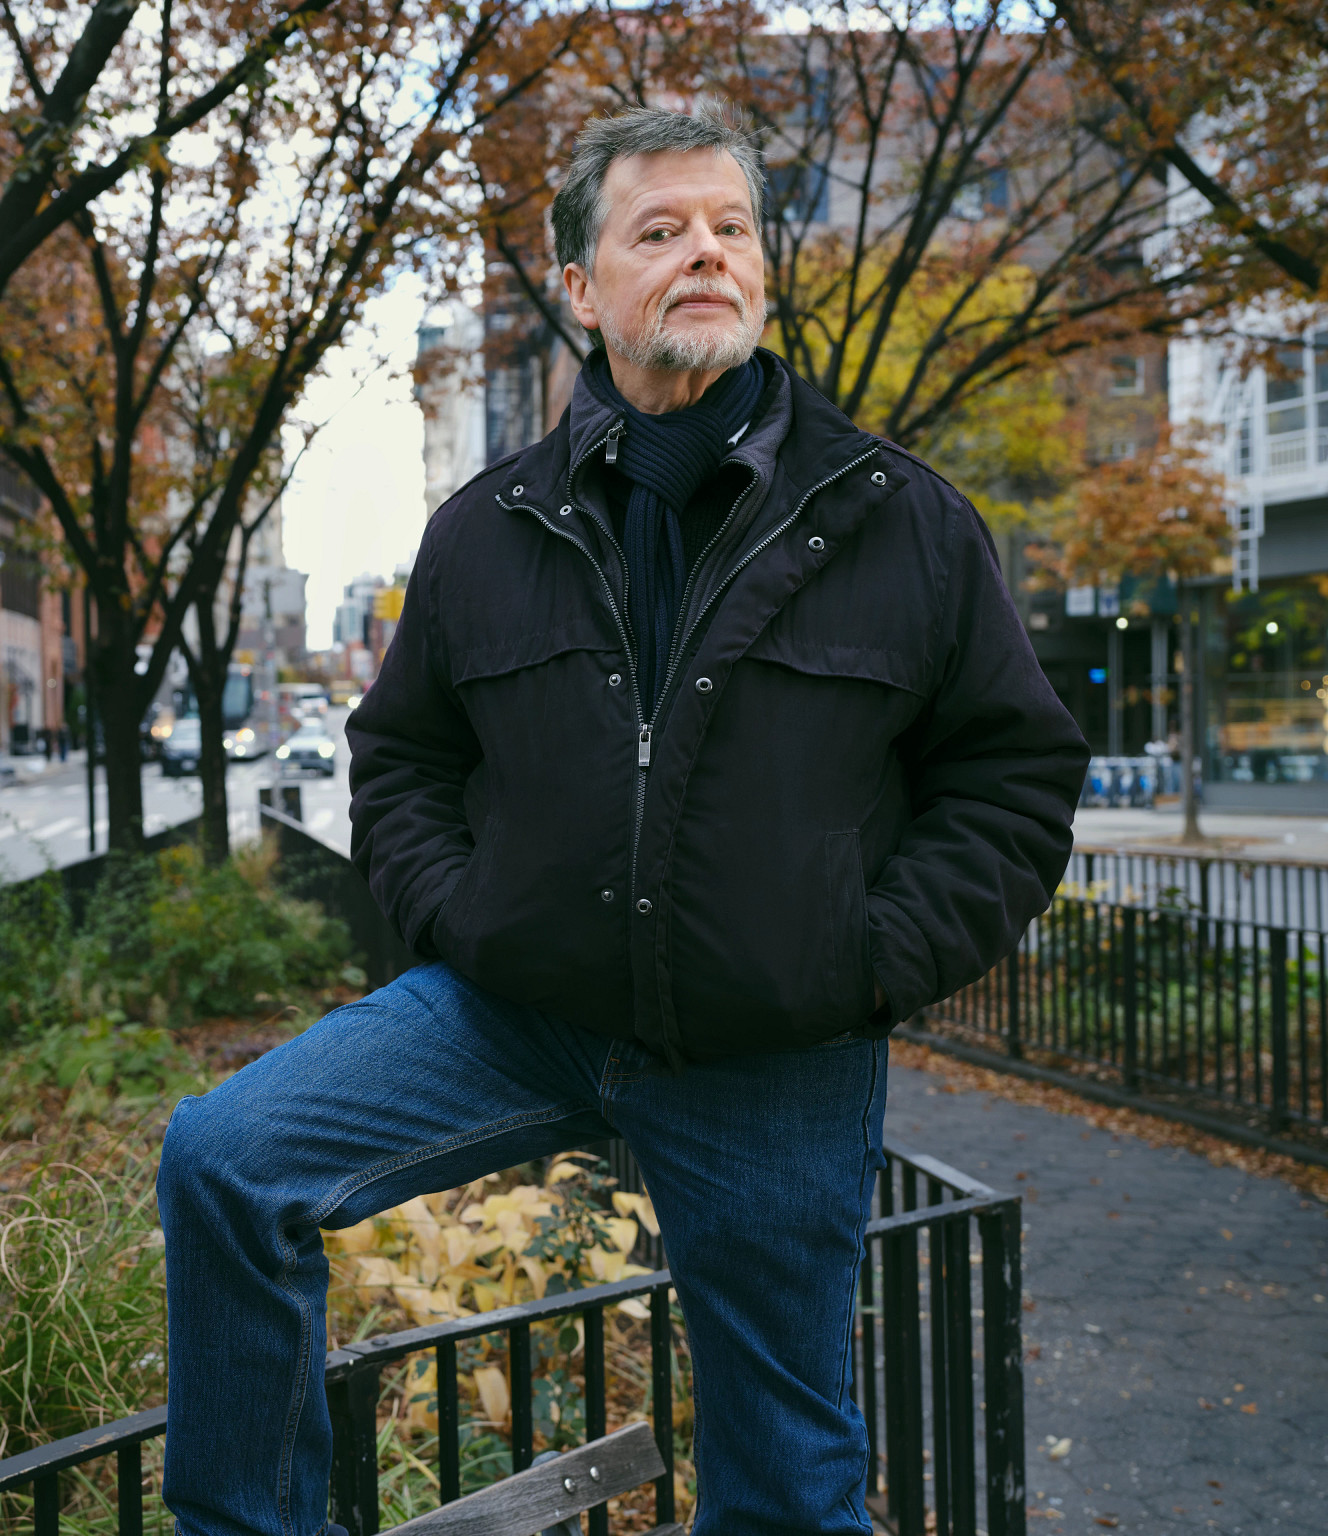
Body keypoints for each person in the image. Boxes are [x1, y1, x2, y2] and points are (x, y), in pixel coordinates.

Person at [155, 103, 1088, 1536]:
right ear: (584, 293)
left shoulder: (903, 519)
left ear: (765, 270)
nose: (704, 252)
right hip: (519, 1005)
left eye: (730, 227)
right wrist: (463, 918)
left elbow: (1014, 777)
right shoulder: (486, 528)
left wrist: (861, 957)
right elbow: (400, 758)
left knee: (790, 1475)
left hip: (774, 1042)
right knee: (224, 1160)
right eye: (659, 230)